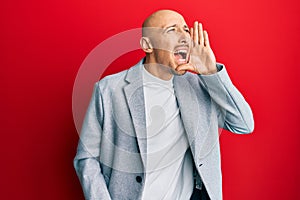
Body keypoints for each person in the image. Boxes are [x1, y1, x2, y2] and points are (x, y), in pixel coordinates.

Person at [73, 9, 254, 200]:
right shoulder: (109, 89)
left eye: (185, 30)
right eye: (172, 30)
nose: (184, 36)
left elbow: (243, 124)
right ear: (147, 44)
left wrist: (210, 72)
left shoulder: (201, 86)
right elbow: (87, 158)